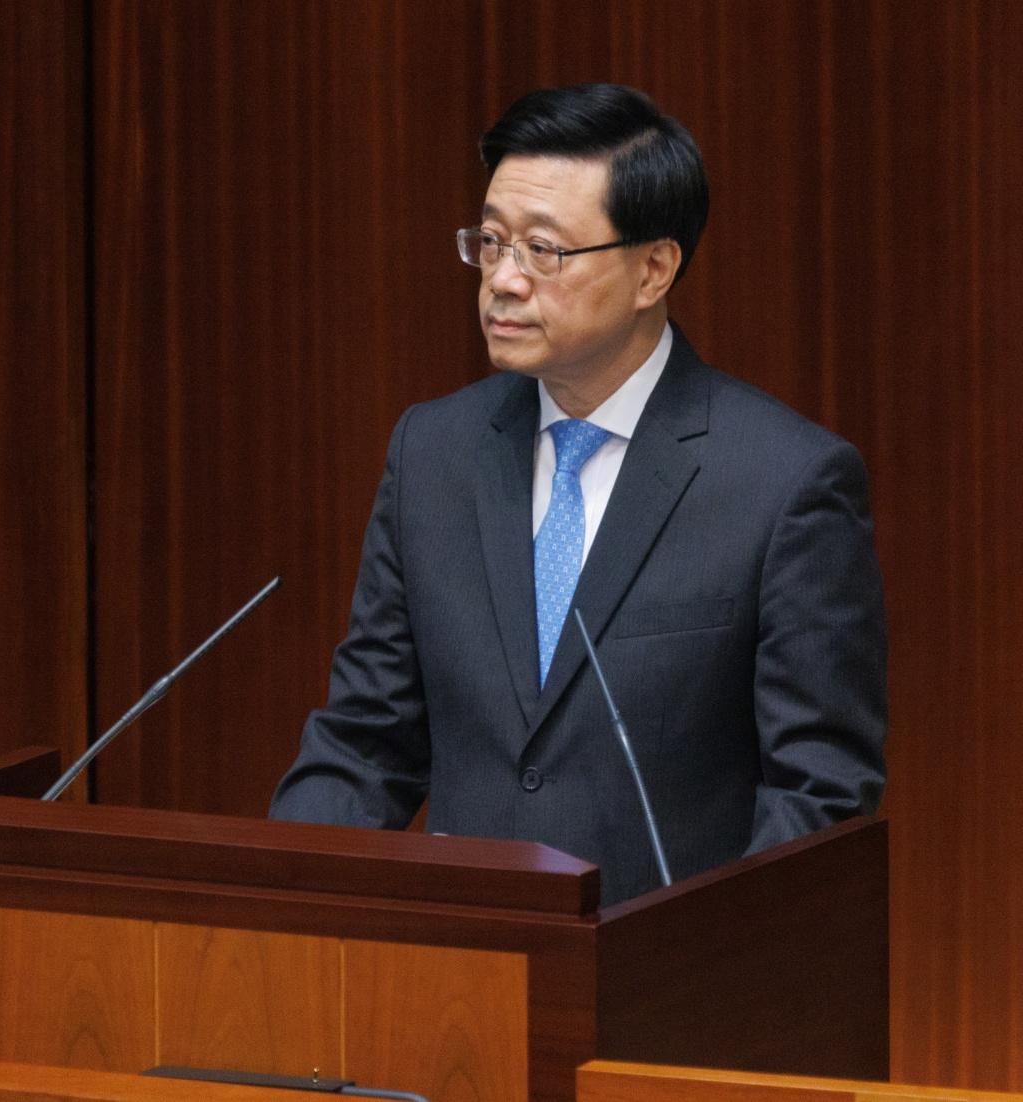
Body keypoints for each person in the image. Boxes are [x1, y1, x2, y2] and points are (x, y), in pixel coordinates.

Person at [271, 83, 886, 907]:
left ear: (653, 270)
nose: (504, 280)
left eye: (543, 250)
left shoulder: (784, 484)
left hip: (667, 972)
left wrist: (703, 955)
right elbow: (365, 743)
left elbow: (818, 795)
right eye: (491, 241)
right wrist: (281, 902)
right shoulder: (434, 454)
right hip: (462, 963)